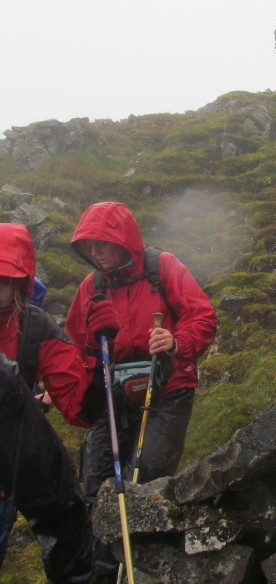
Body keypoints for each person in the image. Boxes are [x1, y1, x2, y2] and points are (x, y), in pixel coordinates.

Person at [66, 201, 217, 582]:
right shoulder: (92, 287)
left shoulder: (161, 267)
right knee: (97, 483)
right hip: (112, 395)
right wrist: (69, 382)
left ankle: (146, 570)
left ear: (123, 239)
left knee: (148, 476)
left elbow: (203, 316)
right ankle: (104, 573)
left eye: (102, 242)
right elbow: (75, 347)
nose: (95, 251)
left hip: (169, 387)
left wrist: (176, 340)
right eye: (88, 245)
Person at [0, 222, 102, 583]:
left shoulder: (36, 330)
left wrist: (99, 351)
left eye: (2, 278)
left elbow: (79, 410)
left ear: (20, 283)